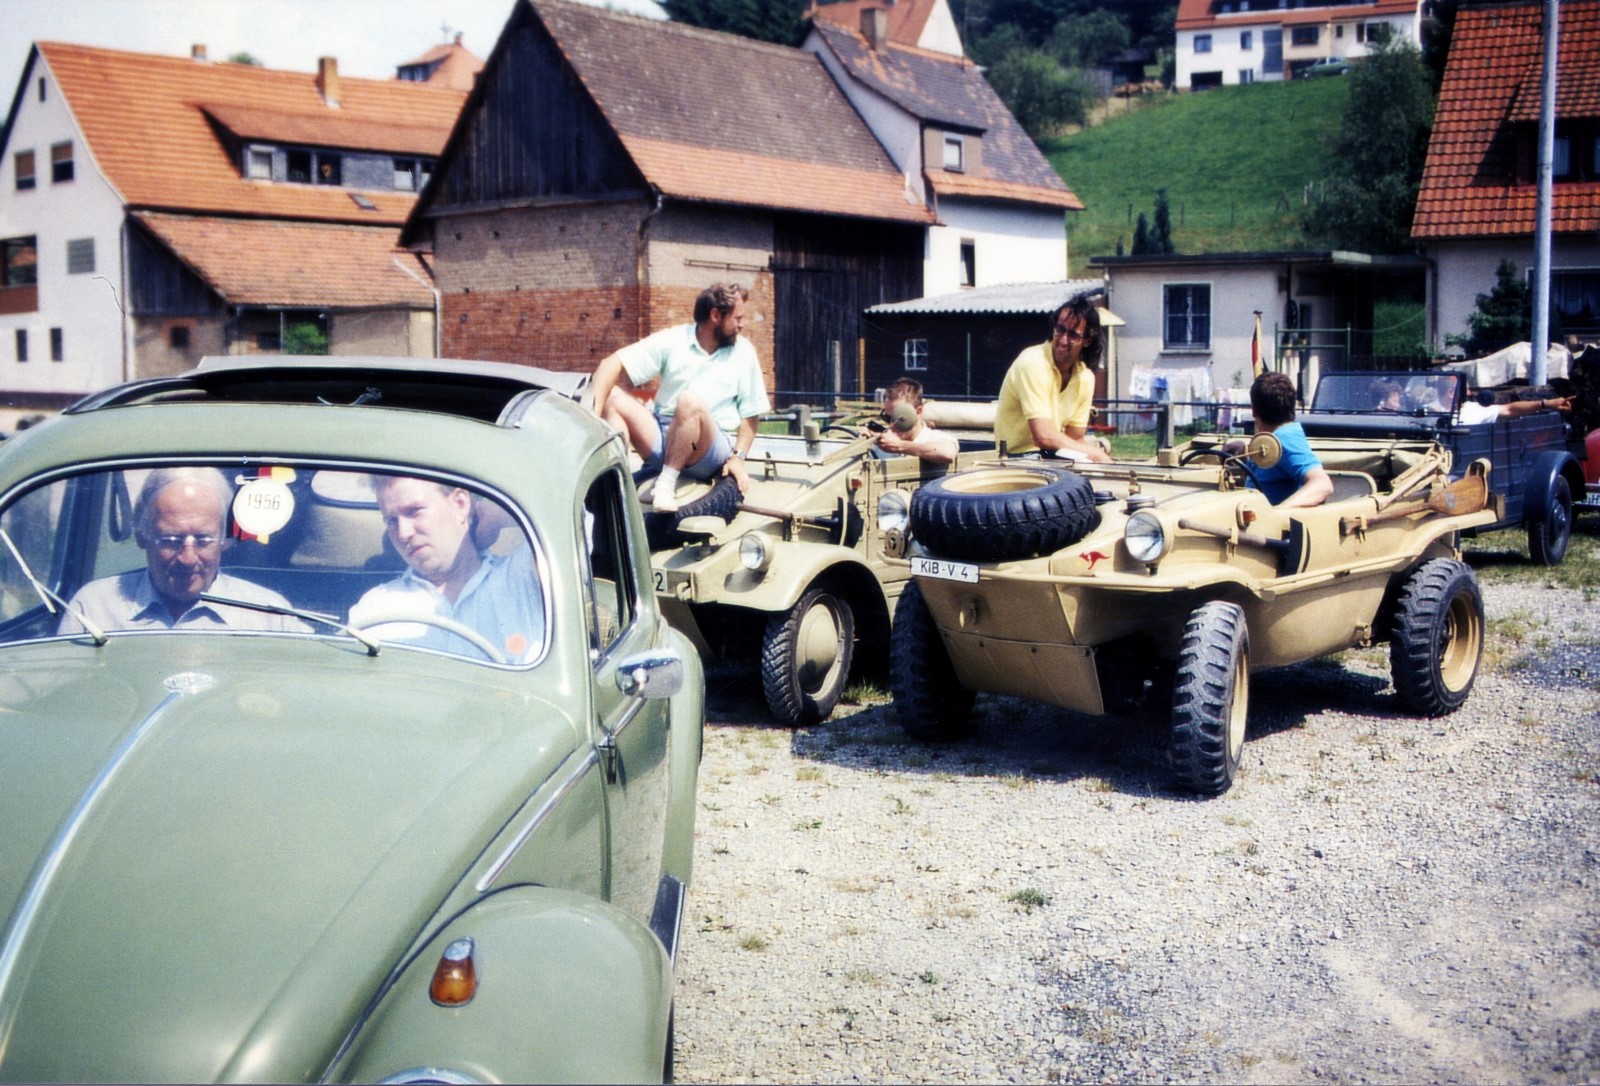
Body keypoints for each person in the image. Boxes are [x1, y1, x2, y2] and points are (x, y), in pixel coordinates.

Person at [589, 282, 771, 513]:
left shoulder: (743, 351)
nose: (742, 325)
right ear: (716, 315)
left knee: (689, 402)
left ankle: (665, 486)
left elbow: (751, 415)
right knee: (612, 397)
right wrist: (591, 417)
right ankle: (614, 480)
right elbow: (610, 363)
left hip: (708, 446)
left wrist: (738, 458)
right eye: (737, 318)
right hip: (665, 436)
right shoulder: (674, 339)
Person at [58, 467, 308, 634]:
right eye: (171, 540)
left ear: (224, 539)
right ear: (142, 536)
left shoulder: (269, 616)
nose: (188, 559)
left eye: (203, 540)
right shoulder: (94, 609)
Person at [348, 475, 544, 662]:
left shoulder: (519, 576)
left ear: (460, 504)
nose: (403, 533)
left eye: (414, 511)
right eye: (392, 521)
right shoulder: (376, 607)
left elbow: (558, 503)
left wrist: (500, 512)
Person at [994, 293, 1113, 463]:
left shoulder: (1085, 377)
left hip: (1052, 456)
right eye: (1060, 330)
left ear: (1087, 341)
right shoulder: (1033, 362)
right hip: (1017, 457)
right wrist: (1096, 454)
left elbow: (1075, 439)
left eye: (1073, 335)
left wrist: (1095, 459)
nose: (1063, 341)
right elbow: (1043, 436)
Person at [1245, 371, 1333, 508]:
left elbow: (1322, 484)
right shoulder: (1273, 440)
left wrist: (1279, 511)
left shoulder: (1285, 439)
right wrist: (1243, 452)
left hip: (1268, 520)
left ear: (1253, 409)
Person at [875, 377, 959, 464]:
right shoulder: (883, 448)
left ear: (918, 411)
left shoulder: (936, 438)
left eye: (899, 418)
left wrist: (899, 446)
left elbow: (947, 453)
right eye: (887, 418)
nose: (892, 425)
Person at [1457, 387, 1572, 425]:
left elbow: (1510, 409)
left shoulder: (1476, 409)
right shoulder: (1441, 410)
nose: (1469, 392)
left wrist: (1546, 404)